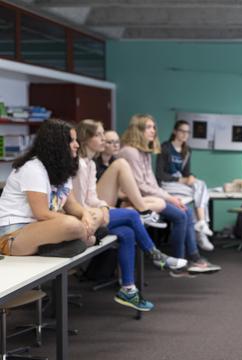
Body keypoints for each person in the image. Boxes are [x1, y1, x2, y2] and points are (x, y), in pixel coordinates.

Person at [74, 119, 188, 311]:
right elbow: (77, 204)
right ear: (86, 138)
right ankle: (156, 254)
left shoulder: (90, 164)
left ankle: (128, 289)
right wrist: (103, 210)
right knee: (132, 215)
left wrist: (104, 208)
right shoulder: (79, 165)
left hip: (95, 211)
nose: (104, 139)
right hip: (82, 217)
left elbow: (92, 198)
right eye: (99, 135)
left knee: (128, 233)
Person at [119, 114, 220, 274]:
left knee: (185, 210)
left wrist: (170, 197)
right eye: (148, 127)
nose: (153, 130)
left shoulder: (144, 152)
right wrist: (170, 197)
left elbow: (150, 183)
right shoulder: (130, 152)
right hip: (137, 200)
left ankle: (189, 257)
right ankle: (180, 261)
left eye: (154, 127)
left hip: (150, 196)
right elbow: (142, 186)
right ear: (137, 130)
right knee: (182, 214)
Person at [0, 119, 97, 256]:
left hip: (39, 227)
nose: (77, 145)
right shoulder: (33, 168)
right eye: (72, 141)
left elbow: (72, 204)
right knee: (72, 224)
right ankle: (83, 239)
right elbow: (42, 214)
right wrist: (81, 224)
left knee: (95, 216)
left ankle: (74, 243)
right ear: (57, 145)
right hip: (14, 234)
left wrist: (84, 214)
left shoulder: (61, 168)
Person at [156, 120, 214, 251]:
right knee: (202, 194)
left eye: (187, 132)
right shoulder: (165, 147)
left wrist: (191, 176)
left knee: (200, 185)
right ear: (175, 131)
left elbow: (186, 172)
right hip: (167, 184)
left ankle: (201, 224)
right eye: (182, 131)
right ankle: (202, 228)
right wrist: (181, 180)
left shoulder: (187, 150)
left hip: (181, 185)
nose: (184, 134)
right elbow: (160, 174)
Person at [91, 128, 165, 228]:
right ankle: (143, 212)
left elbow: (121, 190)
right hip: (103, 203)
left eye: (117, 141)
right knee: (121, 163)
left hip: (119, 202)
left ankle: (134, 212)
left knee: (160, 203)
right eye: (110, 142)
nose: (115, 145)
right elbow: (93, 192)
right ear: (103, 143)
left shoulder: (114, 160)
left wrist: (131, 197)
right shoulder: (94, 163)